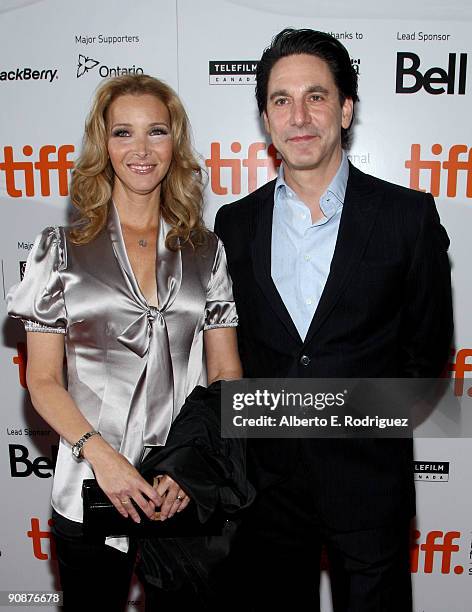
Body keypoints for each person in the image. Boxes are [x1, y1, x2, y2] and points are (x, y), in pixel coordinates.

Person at [214, 28, 453, 611]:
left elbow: (427, 360)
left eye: (316, 96)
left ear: (345, 109)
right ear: (266, 119)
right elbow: (227, 354)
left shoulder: (407, 216)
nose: (299, 116)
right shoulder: (234, 225)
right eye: (281, 100)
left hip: (370, 487)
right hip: (263, 493)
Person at [7, 74, 242, 610]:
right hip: (90, 481)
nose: (141, 149)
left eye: (156, 132)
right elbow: (42, 380)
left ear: (174, 145)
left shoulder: (206, 251)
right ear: (104, 145)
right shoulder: (59, 250)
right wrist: (104, 459)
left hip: (182, 484)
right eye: (123, 133)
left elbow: (226, 373)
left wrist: (194, 464)